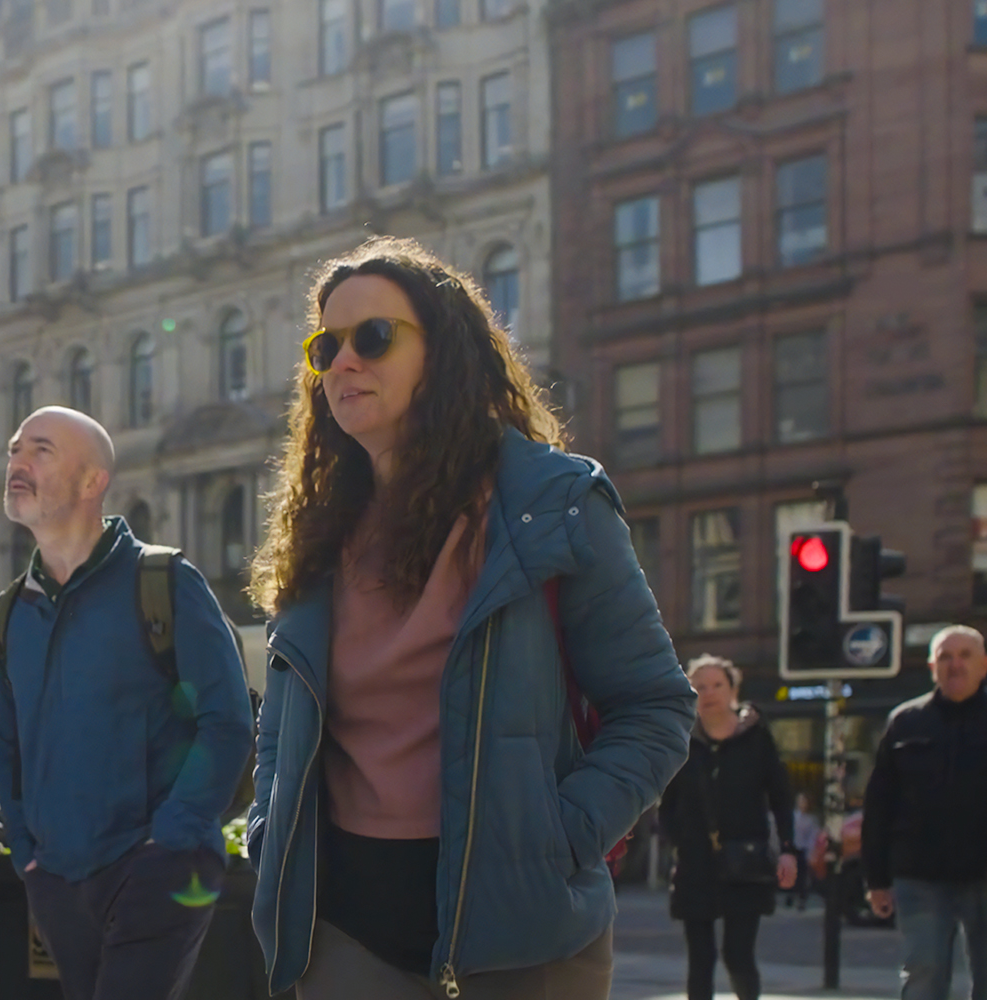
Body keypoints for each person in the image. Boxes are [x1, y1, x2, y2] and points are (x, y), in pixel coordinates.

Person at [244, 236, 696, 1000]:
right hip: (343, 934)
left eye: (373, 337)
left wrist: (556, 841)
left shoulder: (552, 505)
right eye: (325, 347)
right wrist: (270, 835)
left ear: (444, 351)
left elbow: (655, 708)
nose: (342, 362)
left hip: (522, 943)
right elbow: (283, 723)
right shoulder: (317, 530)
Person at [0, 406, 253, 1000]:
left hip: (158, 869)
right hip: (57, 881)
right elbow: (3, 743)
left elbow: (228, 722)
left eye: (41, 450)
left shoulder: (165, 581)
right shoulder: (8, 615)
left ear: (92, 482)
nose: (18, 462)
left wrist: (175, 834)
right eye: (15, 448)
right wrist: (28, 852)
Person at [659, 656, 798, 1000]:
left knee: (738, 955)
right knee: (700, 960)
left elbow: (780, 796)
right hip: (695, 863)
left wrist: (787, 849)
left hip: (745, 860)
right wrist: (676, 843)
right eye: (699, 687)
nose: (709, 693)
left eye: (717, 685)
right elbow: (667, 802)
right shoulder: (680, 740)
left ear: (733, 690)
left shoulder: (756, 736)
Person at [862, 624, 987, 1000]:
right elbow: (879, 802)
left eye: (965, 655)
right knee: (924, 972)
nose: (955, 665)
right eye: (945, 657)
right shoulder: (905, 721)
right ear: (932, 667)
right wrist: (876, 879)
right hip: (921, 874)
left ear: (983, 664)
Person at [787, 792, 820, 911]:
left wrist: (811, 851)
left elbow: (813, 836)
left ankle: (801, 899)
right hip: (792, 848)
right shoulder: (793, 816)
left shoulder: (811, 819)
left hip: (803, 849)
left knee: (802, 876)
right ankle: (790, 896)